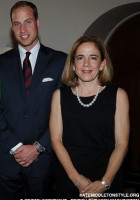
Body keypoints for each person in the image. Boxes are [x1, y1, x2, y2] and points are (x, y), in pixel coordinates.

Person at [0, 1, 67, 199]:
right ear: (12, 27)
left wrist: (38, 147)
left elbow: (64, 111)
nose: (22, 29)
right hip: (7, 159)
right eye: (16, 23)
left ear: (38, 22)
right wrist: (16, 147)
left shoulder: (60, 61)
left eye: (27, 22)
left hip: (44, 161)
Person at [50, 35, 129, 198]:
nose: (86, 64)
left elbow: (122, 144)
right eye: (80, 58)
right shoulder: (59, 96)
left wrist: (104, 182)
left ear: (102, 64)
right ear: (73, 65)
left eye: (93, 58)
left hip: (108, 179)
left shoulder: (118, 95)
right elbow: (56, 140)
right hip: (69, 178)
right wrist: (76, 178)